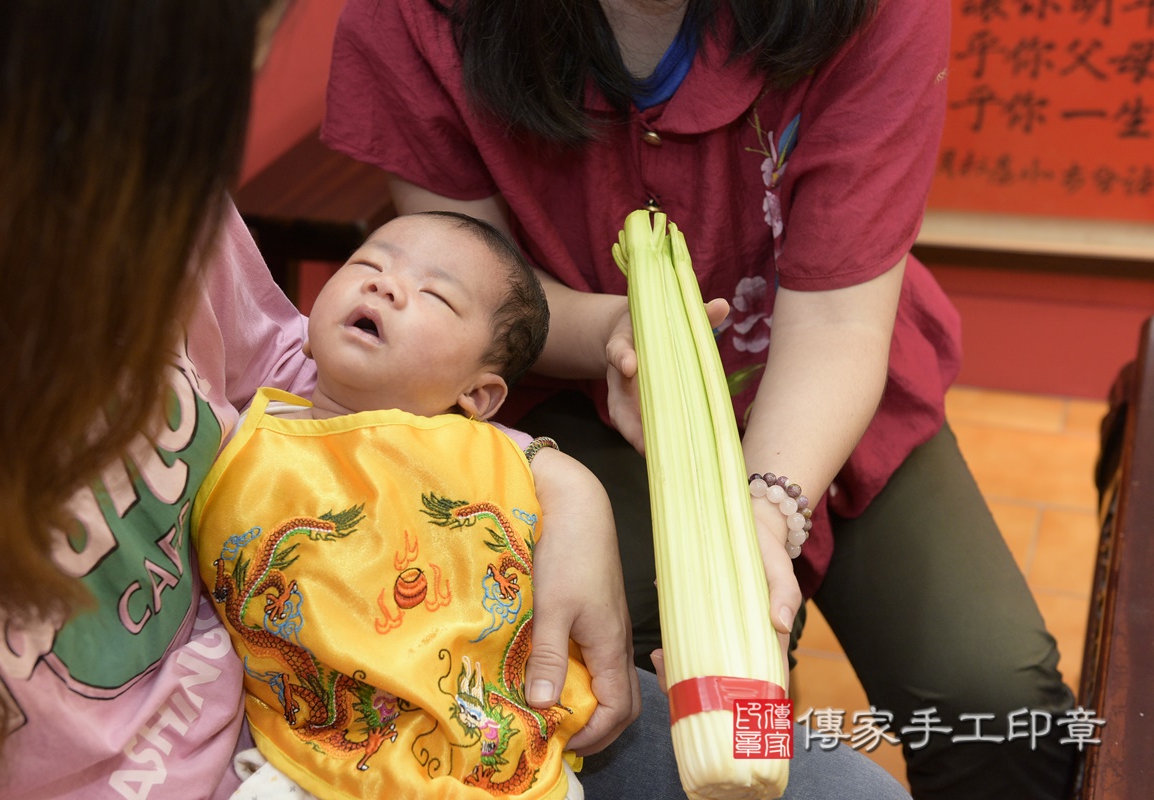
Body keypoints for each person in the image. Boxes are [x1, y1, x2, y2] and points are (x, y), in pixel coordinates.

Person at [0, 3, 913, 800]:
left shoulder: (130, 187)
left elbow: (296, 362)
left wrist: (557, 482)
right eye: (374, 263)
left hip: (338, 694)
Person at [320, 0, 1080, 798]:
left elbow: (836, 322)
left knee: (998, 705)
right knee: (651, 690)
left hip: (839, 381)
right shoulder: (410, 17)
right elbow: (468, 303)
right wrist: (623, 329)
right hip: (585, 399)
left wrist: (762, 510)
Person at [192, 210, 598, 800]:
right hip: (312, 757)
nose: (383, 284)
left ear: (478, 395)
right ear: (304, 325)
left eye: (434, 293)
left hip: (498, 743)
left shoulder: (499, 459)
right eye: (367, 264)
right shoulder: (236, 437)